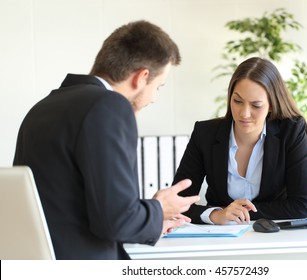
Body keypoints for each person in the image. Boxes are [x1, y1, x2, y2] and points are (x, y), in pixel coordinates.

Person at [13, 20, 199, 260]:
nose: (153, 98)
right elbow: (116, 221)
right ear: (141, 77)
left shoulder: (42, 108)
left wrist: (148, 221)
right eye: (158, 87)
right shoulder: (109, 105)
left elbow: (73, 205)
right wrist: (159, 208)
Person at [173, 57, 307, 225]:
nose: (244, 113)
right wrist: (217, 215)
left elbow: (300, 206)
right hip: (218, 237)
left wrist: (239, 215)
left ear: (272, 105)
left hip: (273, 236)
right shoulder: (205, 134)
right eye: (238, 101)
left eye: (256, 105)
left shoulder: (291, 132)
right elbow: (179, 202)